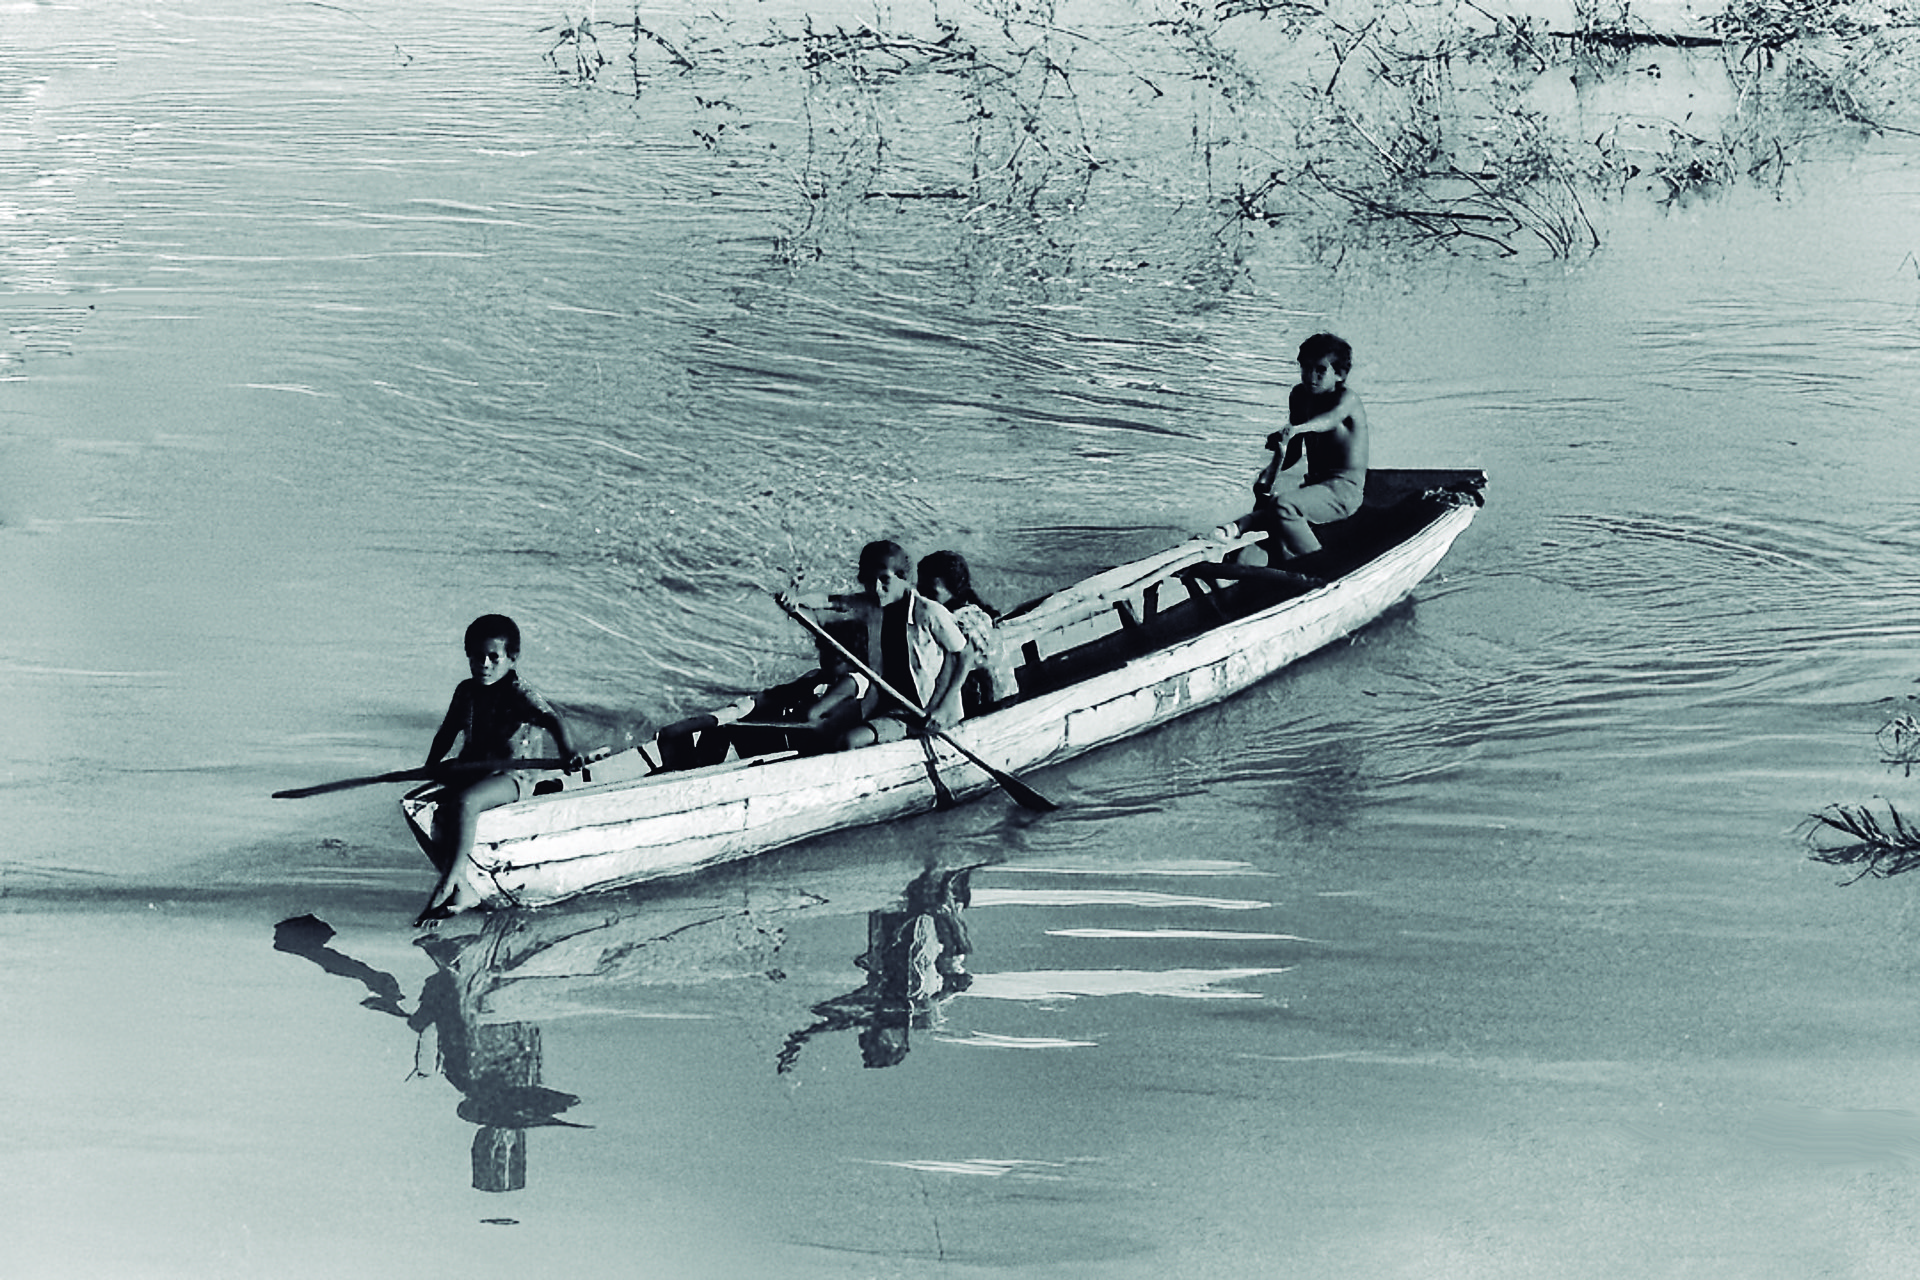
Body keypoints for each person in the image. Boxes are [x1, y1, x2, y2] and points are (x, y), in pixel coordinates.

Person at [417, 614, 584, 923]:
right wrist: (431, 766)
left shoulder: (518, 694)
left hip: (513, 775)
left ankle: (448, 883)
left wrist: (568, 752)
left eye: (494, 657)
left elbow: (552, 720)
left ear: (512, 659)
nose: (484, 664)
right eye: (476, 656)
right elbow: (447, 732)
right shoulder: (465, 691)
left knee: (465, 803)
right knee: (425, 807)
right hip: (475, 767)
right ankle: (464, 887)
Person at [782, 539, 968, 750]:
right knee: (818, 731)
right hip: (882, 704)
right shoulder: (871, 603)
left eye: (884, 580)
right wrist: (795, 602)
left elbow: (964, 654)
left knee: (849, 741)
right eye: (870, 581)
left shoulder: (928, 612)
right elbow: (829, 600)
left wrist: (943, 708)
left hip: (919, 713)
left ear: (903, 578)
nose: (877, 588)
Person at [1214, 333, 1370, 560]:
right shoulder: (1299, 396)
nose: (1311, 376)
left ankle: (1320, 565)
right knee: (1261, 515)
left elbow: (1328, 420)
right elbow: (1294, 453)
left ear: (1340, 374)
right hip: (1315, 486)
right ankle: (1245, 539)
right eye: (1305, 368)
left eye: (1320, 370)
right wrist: (1270, 467)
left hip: (1343, 491)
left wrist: (1298, 428)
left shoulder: (1346, 399)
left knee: (1284, 507)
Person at [916, 549, 1008, 717]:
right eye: (919, 589)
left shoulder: (956, 621)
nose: (923, 598)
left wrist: (939, 709)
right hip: (1005, 692)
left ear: (953, 590)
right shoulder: (975, 611)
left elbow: (959, 664)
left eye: (930, 592)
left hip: (988, 704)